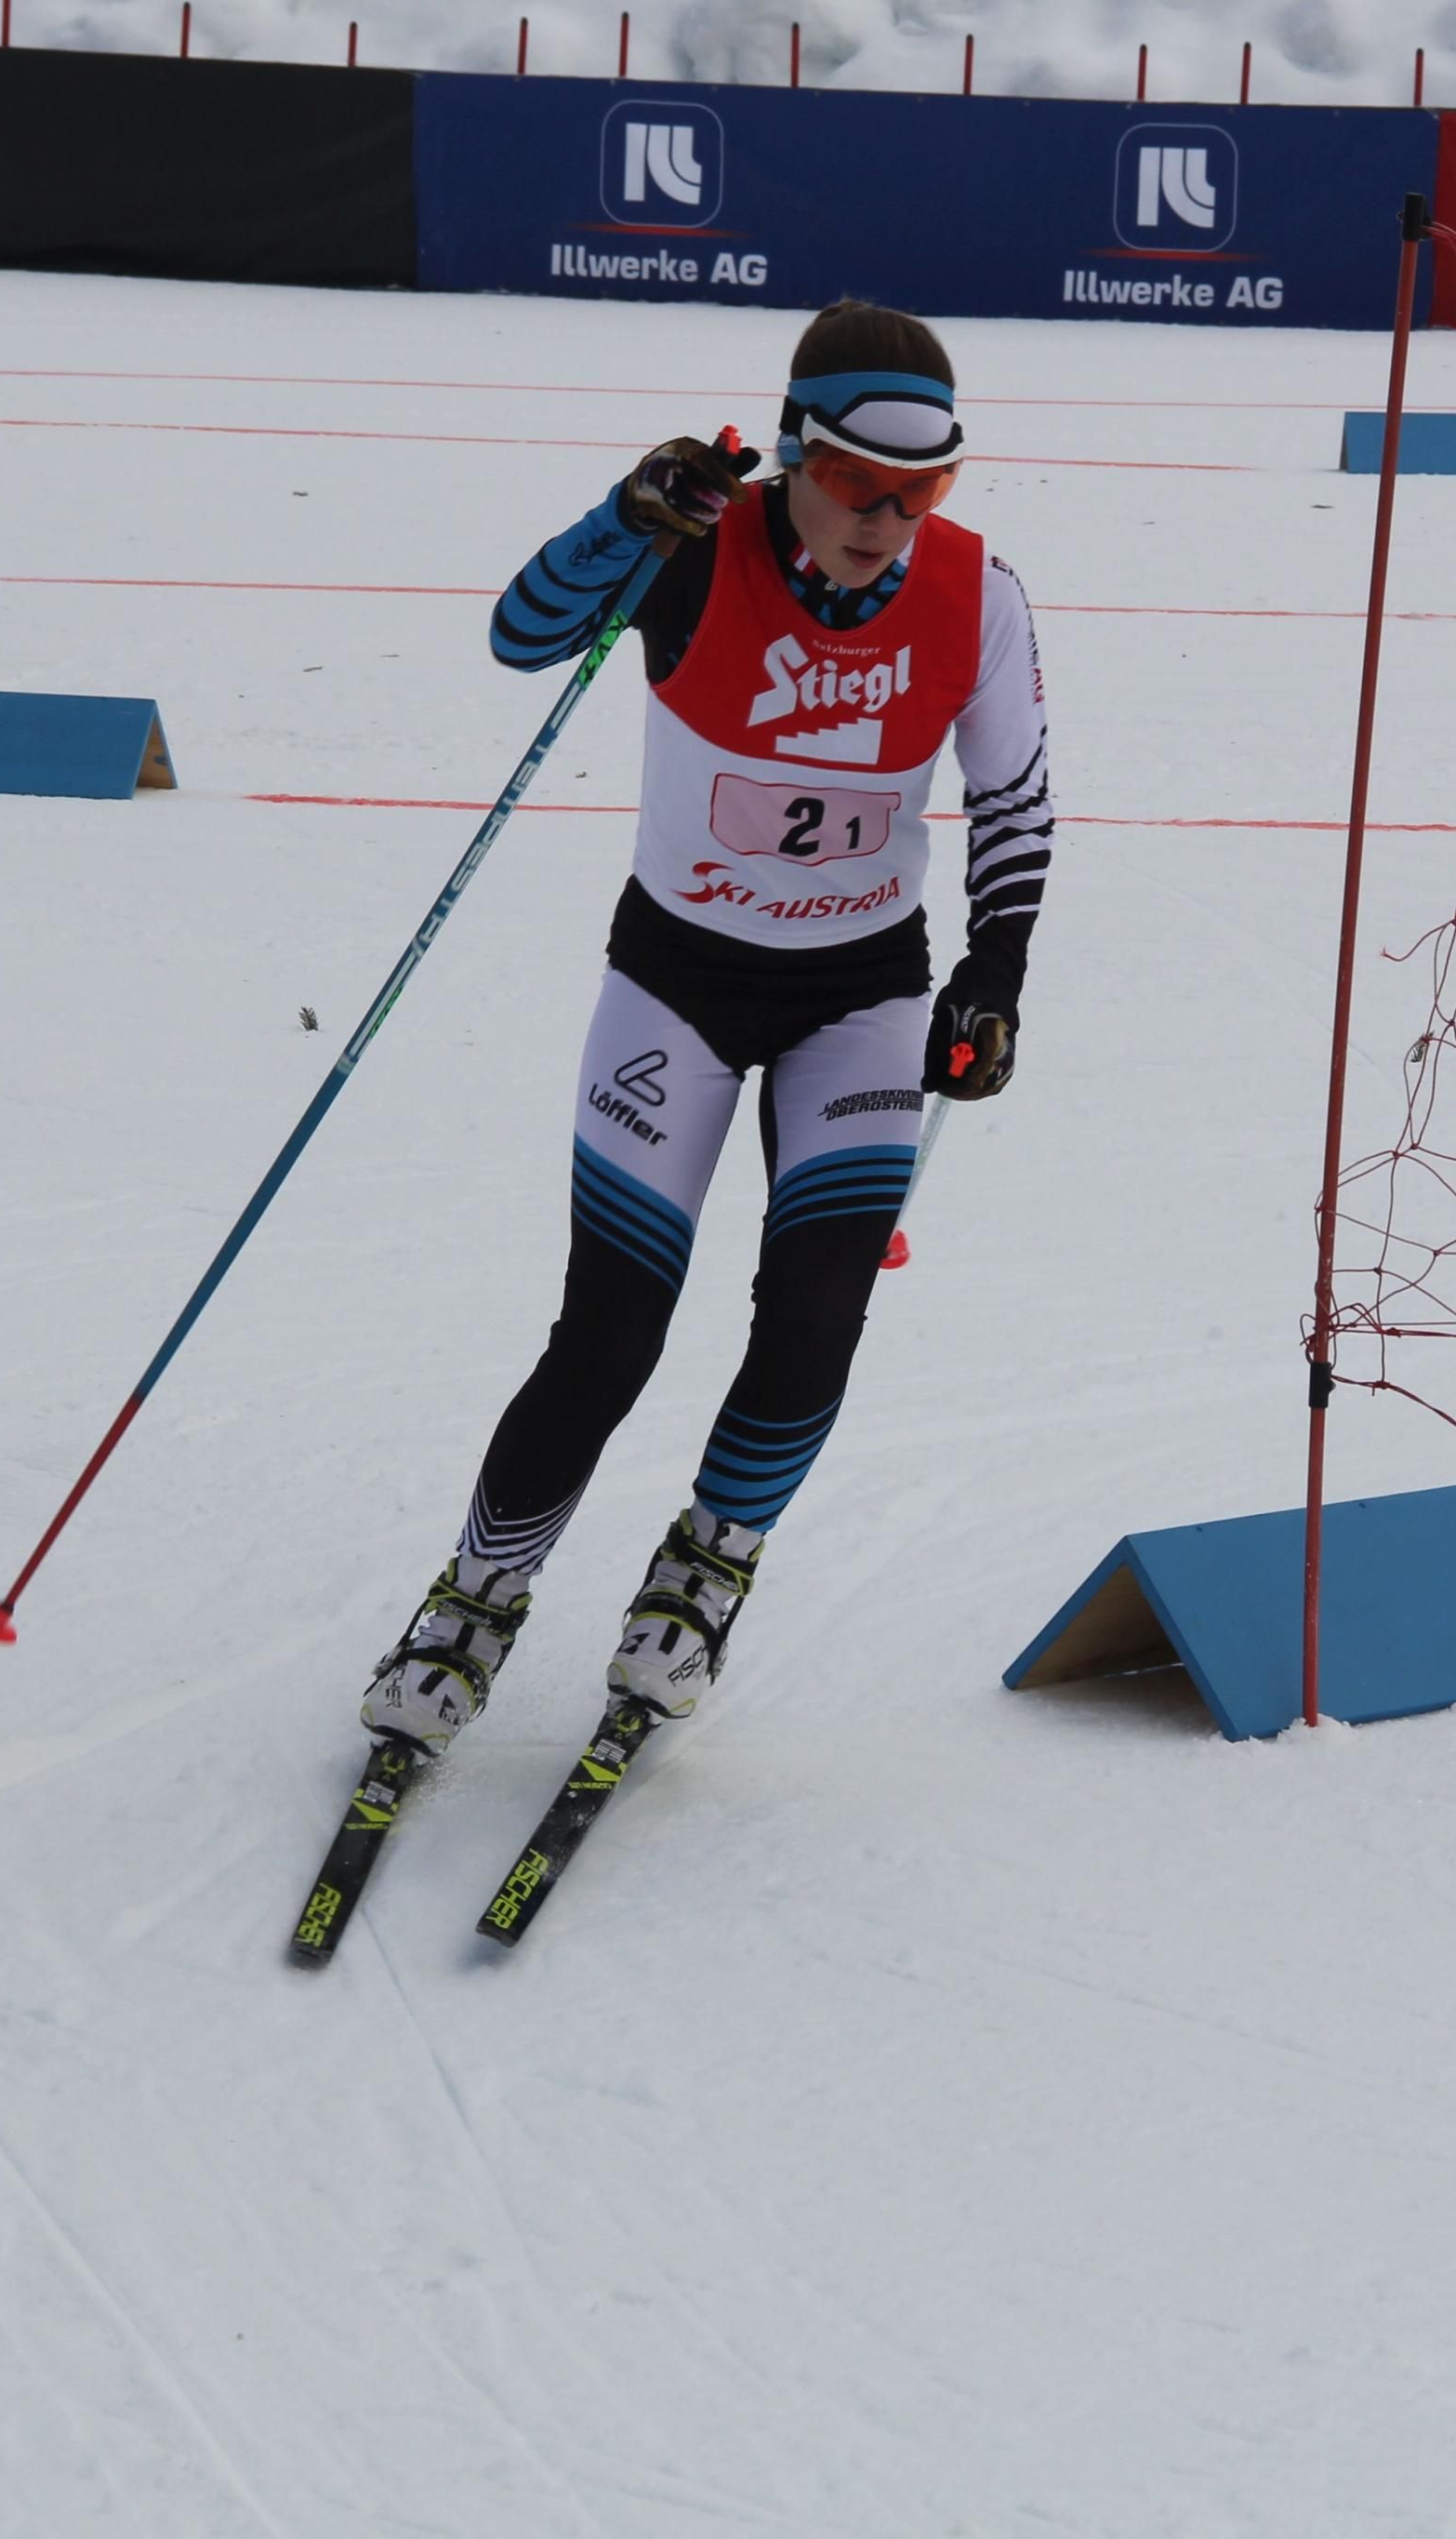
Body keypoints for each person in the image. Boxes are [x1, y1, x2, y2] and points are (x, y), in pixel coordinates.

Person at [352, 299, 1052, 1757]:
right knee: (611, 1332)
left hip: (861, 994)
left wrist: (996, 967)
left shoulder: (979, 592)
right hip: (676, 979)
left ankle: (707, 1563)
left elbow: (1014, 800)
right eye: (857, 482)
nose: (888, 521)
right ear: (794, 455)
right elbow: (518, 637)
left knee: (815, 1317)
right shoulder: (696, 546)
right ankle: (476, 1596)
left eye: (925, 489)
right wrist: (624, 518)